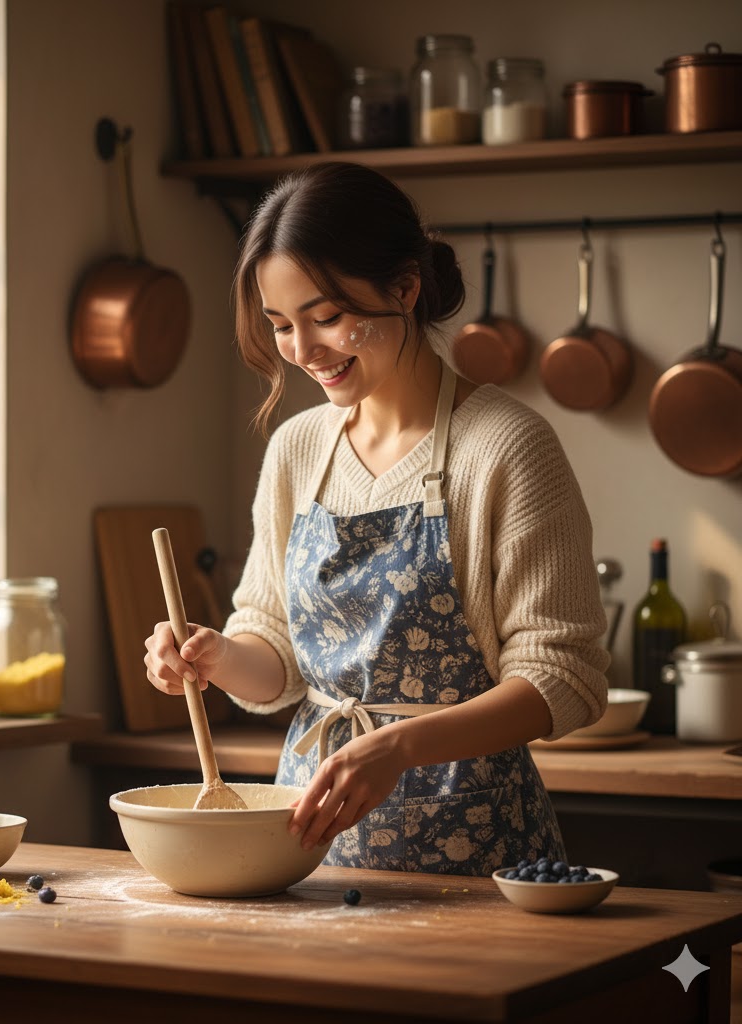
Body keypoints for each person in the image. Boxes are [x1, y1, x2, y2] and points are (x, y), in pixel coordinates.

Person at [143, 162, 609, 876]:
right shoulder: (297, 450)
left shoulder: (507, 447)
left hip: (476, 852)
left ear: (405, 288)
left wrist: (401, 745)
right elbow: (278, 660)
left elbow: (564, 681)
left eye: (327, 318)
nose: (303, 352)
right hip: (305, 850)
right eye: (281, 327)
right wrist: (215, 657)